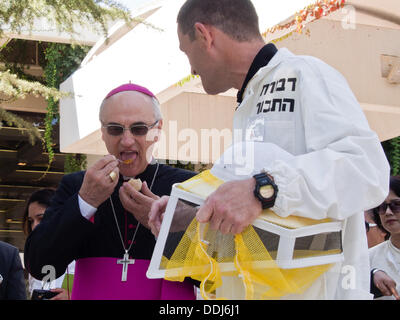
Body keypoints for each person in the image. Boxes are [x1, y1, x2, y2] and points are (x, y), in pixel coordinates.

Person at [149, 0, 390, 299]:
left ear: (204, 35)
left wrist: (263, 188)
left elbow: (367, 170)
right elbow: (268, 218)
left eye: (187, 52)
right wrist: (190, 213)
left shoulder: (306, 73)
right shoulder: (247, 102)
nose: (191, 68)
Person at [24, 83, 197, 300]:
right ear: (103, 133)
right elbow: (40, 264)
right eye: (115, 129)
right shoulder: (77, 186)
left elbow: (214, 273)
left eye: (139, 128)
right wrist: (85, 201)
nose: (126, 140)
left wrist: (166, 226)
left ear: (157, 130)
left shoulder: (185, 186)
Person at [22, 188, 74, 300]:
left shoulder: (83, 255)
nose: (34, 226)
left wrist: (74, 297)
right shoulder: (35, 261)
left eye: (41, 218)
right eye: (31, 221)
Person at [369, 175, 400, 300]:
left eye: (396, 205)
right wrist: (371, 276)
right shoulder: (368, 259)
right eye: (382, 207)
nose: (388, 212)